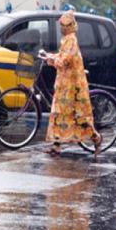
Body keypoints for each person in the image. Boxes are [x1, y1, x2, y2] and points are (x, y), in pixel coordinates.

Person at [42, 10, 102, 159]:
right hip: (64, 84)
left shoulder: (72, 40)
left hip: (73, 86)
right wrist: (49, 57)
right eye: (61, 25)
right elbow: (61, 57)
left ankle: (96, 138)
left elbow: (65, 60)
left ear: (70, 27)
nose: (62, 28)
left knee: (79, 116)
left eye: (64, 25)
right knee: (58, 114)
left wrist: (53, 60)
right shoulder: (66, 40)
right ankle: (56, 146)